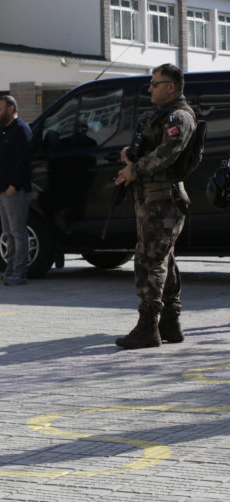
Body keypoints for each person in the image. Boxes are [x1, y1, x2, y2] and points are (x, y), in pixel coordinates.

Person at [114, 63, 196, 349]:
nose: (150, 88)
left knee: (148, 261)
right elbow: (154, 149)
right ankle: (170, 324)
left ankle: (148, 327)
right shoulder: (163, 116)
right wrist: (132, 156)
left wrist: (134, 170)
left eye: (155, 83)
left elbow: (167, 154)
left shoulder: (179, 117)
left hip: (163, 200)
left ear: (170, 87)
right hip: (153, 197)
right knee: (164, 259)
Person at [0, 95, 34, 285]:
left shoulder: (21, 130)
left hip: (15, 191)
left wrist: (14, 185)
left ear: (10, 110)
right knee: (7, 234)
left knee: (18, 232)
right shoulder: (3, 131)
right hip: (1, 191)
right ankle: (9, 269)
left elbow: (24, 161)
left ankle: (20, 272)